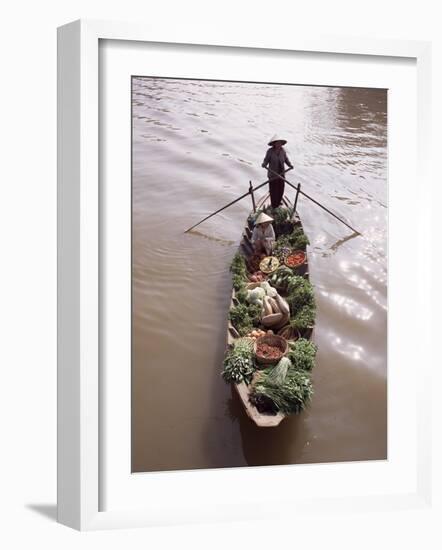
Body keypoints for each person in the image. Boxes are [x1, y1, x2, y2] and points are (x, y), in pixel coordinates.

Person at [262, 135, 293, 208]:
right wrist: (264, 164)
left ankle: (278, 203)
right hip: (273, 174)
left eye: (280, 143)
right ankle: (274, 205)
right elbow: (266, 160)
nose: (279, 145)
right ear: (274, 144)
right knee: (273, 190)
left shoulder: (283, 151)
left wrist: (290, 165)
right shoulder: (270, 151)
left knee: (281, 189)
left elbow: (286, 160)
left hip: (281, 174)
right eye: (277, 143)